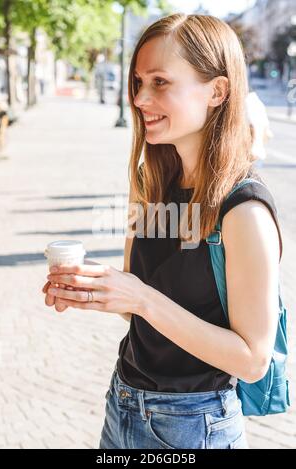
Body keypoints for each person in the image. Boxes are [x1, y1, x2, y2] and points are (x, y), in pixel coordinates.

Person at [42, 14, 283, 449]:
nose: (139, 98)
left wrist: (141, 298)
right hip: (123, 404)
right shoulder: (151, 184)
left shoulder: (244, 210)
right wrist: (97, 289)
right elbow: (139, 312)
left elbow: (252, 361)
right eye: (138, 82)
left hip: (196, 425)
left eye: (160, 82)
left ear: (217, 91)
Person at [245, 90, 274, 167]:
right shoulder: (259, 104)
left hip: (249, 153)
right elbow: (267, 132)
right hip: (258, 153)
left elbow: (251, 126)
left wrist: (250, 149)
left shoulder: (247, 102)